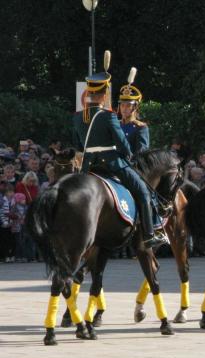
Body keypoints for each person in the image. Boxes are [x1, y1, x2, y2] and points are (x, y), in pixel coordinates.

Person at [72, 51, 166, 248]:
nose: (124, 107)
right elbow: (123, 145)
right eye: (122, 104)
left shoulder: (78, 116)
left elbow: (80, 144)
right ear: (105, 93)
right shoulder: (108, 116)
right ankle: (149, 234)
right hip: (111, 163)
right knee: (142, 191)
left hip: (89, 165)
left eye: (128, 105)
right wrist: (126, 155)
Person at [118, 68, 149, 160]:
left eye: (128, 106)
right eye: (122, 105)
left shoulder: (141, 127)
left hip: (130, 166)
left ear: (135, 107)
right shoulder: (116, 124)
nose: (124, 109)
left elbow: (142, 153)